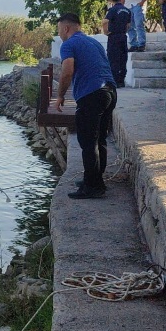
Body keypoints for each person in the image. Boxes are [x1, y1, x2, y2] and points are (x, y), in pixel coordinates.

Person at [55, 13, 117, 199]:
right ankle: (95, 180)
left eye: (59, 30)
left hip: (91, 95)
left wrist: (59, 96)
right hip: (110, 92)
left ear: (66, 28)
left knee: (88, 143)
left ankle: (93, 188)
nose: (59, 34)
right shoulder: (94, 42)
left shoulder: (69, 44)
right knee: (100, 140)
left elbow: (67, 71)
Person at [102, 0, 131, 88]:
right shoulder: (127, 10)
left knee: (113, 58)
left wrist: (106, 32)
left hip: (114, 37)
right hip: (123, 36)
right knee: (123, 58)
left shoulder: (112, 10)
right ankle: (121, 80)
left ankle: (113, 81)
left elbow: (105, 21)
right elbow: (128, 25)